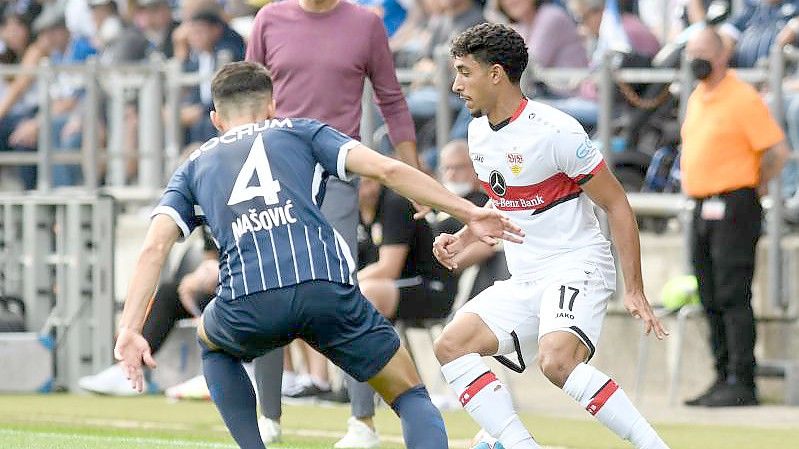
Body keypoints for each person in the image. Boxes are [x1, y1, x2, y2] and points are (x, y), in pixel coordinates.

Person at [113, 60, 524, 449]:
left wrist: (131, 328)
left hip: (249, 300)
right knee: (410, 394)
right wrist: (469, 211)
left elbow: (154, 247)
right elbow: (389, 170)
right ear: (272, 107)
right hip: (325, 290)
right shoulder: (301, 132)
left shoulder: (194, 165)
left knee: (213, 344)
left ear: (217, 120)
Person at [431, 23, 670, 449]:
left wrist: (634, 289)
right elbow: (505, 204)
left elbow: (617, 204)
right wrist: (465, 236)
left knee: (557, 362)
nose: (456, 85)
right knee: (451, 344)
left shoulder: (556, 130)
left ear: (496, 74)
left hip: (576, 264)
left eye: (464, 72)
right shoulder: (477, 133)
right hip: (526, 277)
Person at [245, 0, 420, 444]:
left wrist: (413, 173)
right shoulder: (268, 19)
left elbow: (391, 99)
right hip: (275, 174)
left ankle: (362, 422)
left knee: (342, 290)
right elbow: (246, 97)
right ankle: (268, 417)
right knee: (269, 287)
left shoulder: (366, 24)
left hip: (339, 174)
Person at [681, 27, 789, 407]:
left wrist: (754, 188)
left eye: (702, 51)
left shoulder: (741, 97)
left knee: (732, 293)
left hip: (734, 204)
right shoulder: (697, 96)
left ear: (721, 54)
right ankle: (721, 373)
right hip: (702, 205)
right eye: (691, 51)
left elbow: (777, 151)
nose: (695, 58)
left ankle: (742, 379)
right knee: (709, 292)